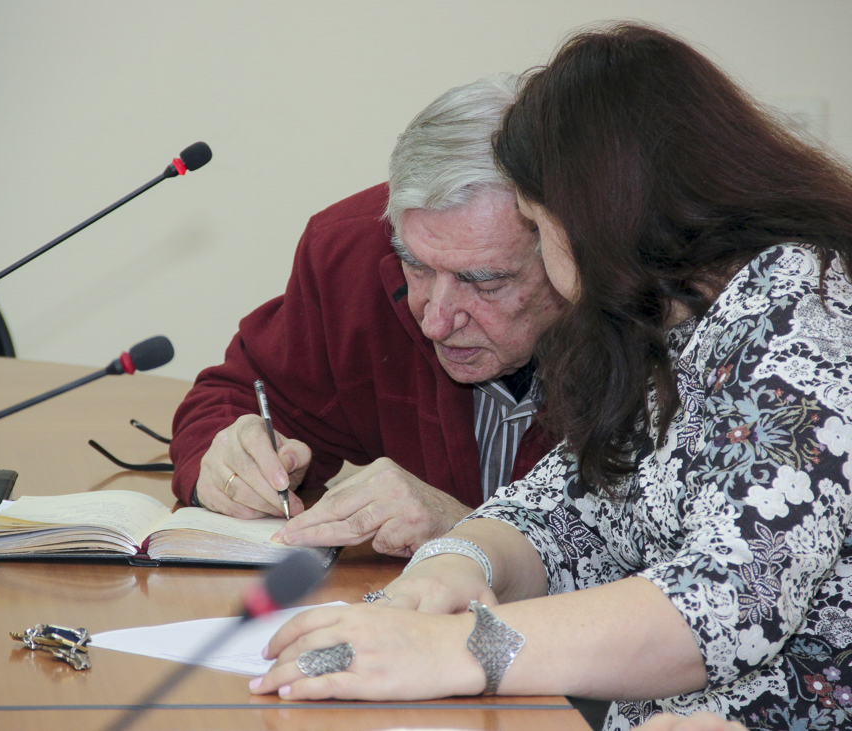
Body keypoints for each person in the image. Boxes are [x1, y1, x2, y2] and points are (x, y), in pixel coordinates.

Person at [249, 22, 852, 731]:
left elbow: (726, 602)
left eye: (535, 220)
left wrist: (456, 647)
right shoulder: (665, 323)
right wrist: (455, 563)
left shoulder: (815, 306)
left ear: (595, 212)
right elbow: (562, 517)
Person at [169, 76, 564, 557]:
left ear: (567, 251)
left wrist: (470, 533)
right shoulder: (352, 252)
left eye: (485, 282)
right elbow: (237, 397)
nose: (435, 322)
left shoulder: (640, 317)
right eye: (416, 265)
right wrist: (231, 463)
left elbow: (645, 566)